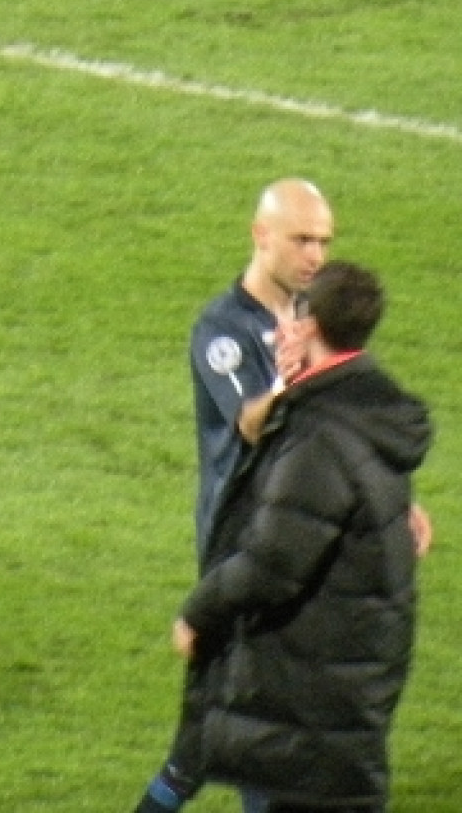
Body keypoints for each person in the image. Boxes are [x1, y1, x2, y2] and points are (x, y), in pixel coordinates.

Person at [173, 260, 433, 813]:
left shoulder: (318, 435)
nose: (281, 333)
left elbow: (271, 561)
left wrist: (199, 612)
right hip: (346, 676)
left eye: (291, 322)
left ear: (309, 328)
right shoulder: (366, 405)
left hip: (314, 689)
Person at [133, 179, 335, 813]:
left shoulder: (314, 319)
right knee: (237, 732)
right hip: (240, 548)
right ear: (261, 236)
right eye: (302, 240)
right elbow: (252, 421)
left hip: (297, 541)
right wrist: (298, 371)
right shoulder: (222, 328)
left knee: (241, 731)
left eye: (324, 242)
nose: (315, 256)